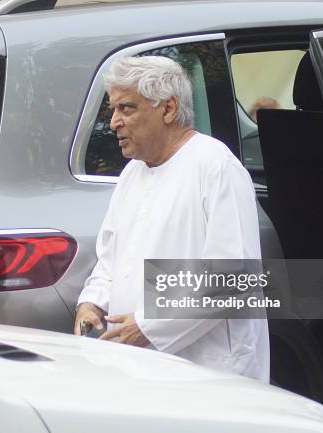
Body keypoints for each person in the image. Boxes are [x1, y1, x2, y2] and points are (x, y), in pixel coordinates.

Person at [74, 56, 269, 382]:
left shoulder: (215, 166)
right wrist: (91, 304)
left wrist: (149, 326)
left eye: (127, 109)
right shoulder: (131, 175)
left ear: (167, 109)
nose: (113, 123)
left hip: (211, 375)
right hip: (141, 370)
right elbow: (110, 262)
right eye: (113, 111)